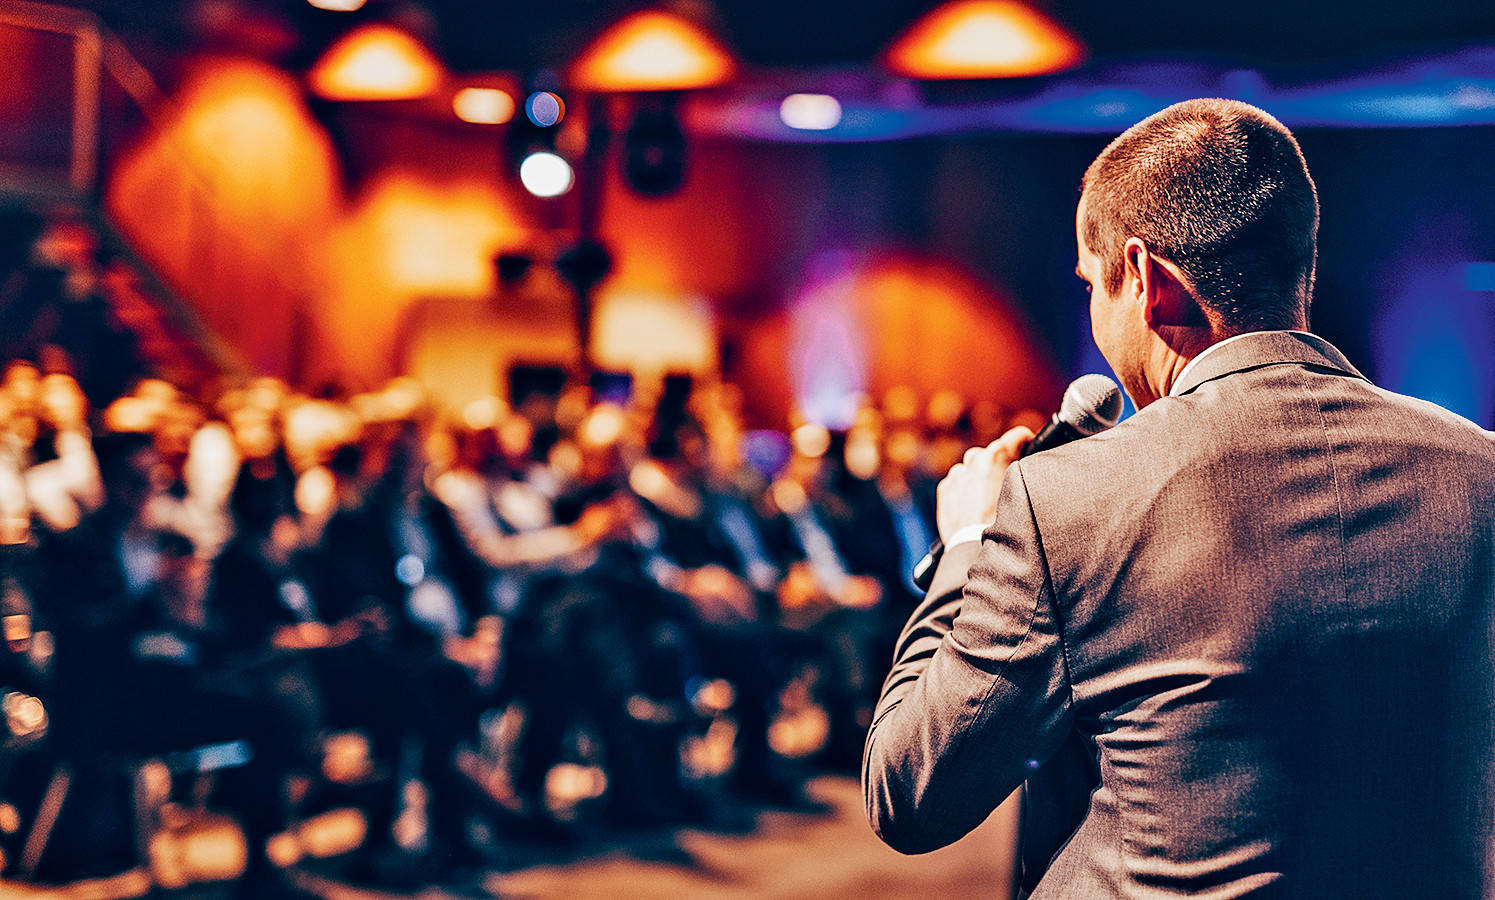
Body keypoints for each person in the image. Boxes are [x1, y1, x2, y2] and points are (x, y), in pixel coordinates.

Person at [862, 97, 1495, 898]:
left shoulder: (1067, 499)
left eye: (1091, 285)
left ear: (1144, 279)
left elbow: (908, 793)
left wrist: (965, 549)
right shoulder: (1479, 469)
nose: (1095, 313)